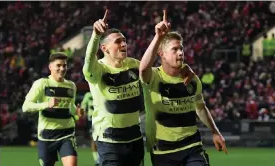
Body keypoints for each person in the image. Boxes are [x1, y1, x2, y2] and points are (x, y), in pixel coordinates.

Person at [83, 9, 196, 166]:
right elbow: (88, 62)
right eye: (117, 42)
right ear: (104, 48)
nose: (124, 44)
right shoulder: (98, 70)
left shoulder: (134, 65)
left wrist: (183, 68)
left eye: (124, 40)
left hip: (135, 139)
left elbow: (160, 73)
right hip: (109, 141)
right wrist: (95, 35)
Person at [139, 10, 227, 166]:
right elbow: (143, 69)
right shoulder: (154, 77)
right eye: (174, 49)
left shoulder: (192, 79)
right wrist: (158, 37)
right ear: (162, 54)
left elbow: (200, 107)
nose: (180, 53)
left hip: (192, 145)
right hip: (162, 150)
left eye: (181, 49)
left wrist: (215, 132)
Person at [22, 52, 84, 166]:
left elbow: (70, 106)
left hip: (67, 133)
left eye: (64, 65)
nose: (62, 68)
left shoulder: (71, 85)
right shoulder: (42, 83)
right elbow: (26, 107)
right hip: (47, 136)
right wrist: (46, 104)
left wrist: (77, 111)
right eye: (58, 65)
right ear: (50, 67)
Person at [80, 92, 99, 165]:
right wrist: (83, 112)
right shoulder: (88, 95)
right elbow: (83, 106)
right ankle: (96, 159)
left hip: (103, 119)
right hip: (91, 120)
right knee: (94, 139)